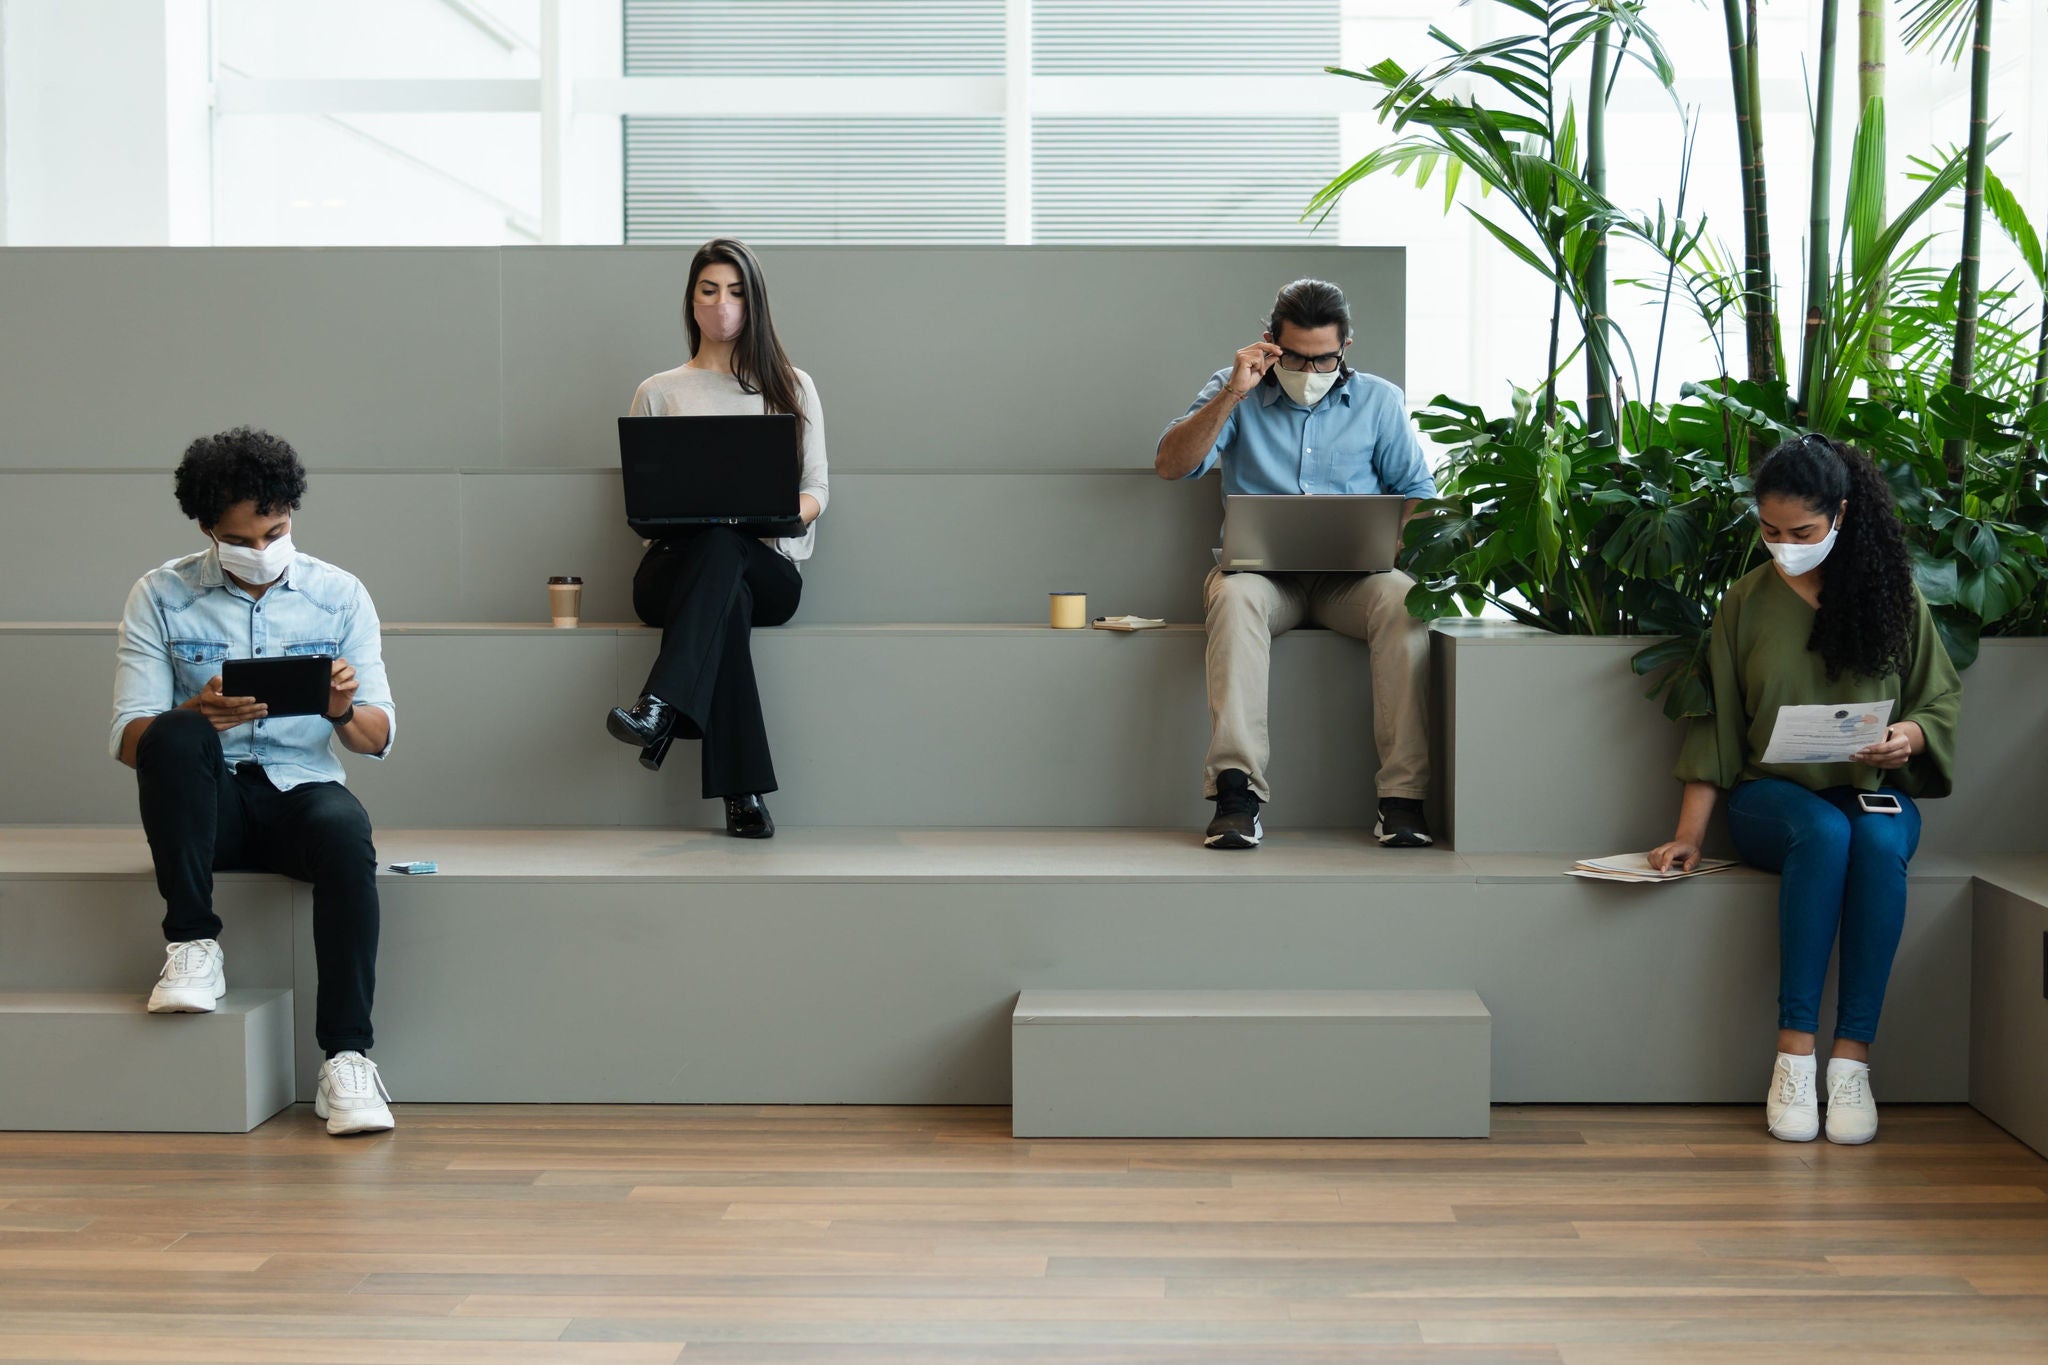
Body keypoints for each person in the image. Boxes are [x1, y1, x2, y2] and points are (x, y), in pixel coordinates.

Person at [1649, 433, 1961, 1146]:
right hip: (1773, 799)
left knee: (1875, 837)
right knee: (1823, 832)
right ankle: (1794, 1055)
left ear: (1842, 516)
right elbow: (1717, 725)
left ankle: (1852, 1063)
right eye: (1769, 530)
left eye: (1802, 532)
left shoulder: (1892, 594)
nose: (1783, 544)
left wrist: (1906, 736)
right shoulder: (1746, 602)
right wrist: (1690, 835)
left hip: (1868, 789)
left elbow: (1937, 700)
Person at [109, 427, 398, 1136]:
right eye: (245, 537)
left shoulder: (339, 594)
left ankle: (348, 1059)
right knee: (172, 731)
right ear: (209, 528)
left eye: (277, 530)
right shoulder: (160, 595)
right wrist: (196, 713)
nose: (264, 548)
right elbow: (127, 742)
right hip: (210, 810)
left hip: (300, 796)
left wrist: (339, 706)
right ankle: (192, 944)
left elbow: (378, 736)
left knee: (345, 828)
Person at [1154, 278, 1438, 851]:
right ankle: (1237, 795)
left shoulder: (1380, 400)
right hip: (1262, 579)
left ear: (1346, 348)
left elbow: (1418, 492)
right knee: (1233, 598)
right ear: (1270, 345)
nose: (1311, 370)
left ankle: (1402, 800)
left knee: (1405, 600)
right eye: (1298, 357)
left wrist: (1391, 541)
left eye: (1325, 358)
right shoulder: (1233, 390)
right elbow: (1171, 465)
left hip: (1352, 583)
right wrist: (1233, 393)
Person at [606, 238, 828, 839]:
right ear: (692, 299)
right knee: (716, 561)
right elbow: (641, 501)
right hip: (673, 572)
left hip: (768, 569)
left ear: (753, 302)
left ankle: (660, 705)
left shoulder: (791, 386)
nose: (722, 304)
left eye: (735, 291)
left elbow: (817, 491)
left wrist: (781, 514)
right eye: (709, 290)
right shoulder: (659, 390)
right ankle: (742, 793)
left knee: (728, 545)